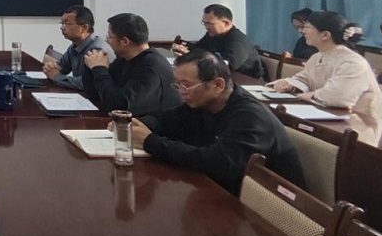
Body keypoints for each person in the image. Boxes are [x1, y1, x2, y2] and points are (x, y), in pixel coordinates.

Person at [131, 49, 306, 195]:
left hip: (271, 207)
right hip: (225, 189)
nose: (181, 91)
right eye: (177, 84)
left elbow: (217, 163)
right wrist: (137, 124)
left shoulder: (250, 117)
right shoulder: (203, 102)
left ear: (218, 85)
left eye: (186, 85)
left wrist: (150, 142)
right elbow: (169, 119)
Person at [268, 11, 382, 144]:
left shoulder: (353, 62)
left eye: (308, 27)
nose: (303, 31)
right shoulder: (317, 56)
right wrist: (290, 84)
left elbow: (338, 97)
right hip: (330, 118)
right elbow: (305, 78)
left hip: (360, 128)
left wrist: (305, 95)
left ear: (325, 35)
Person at [82, 13, 182, 115]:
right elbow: (96, 94)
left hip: (154, 123)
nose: (108, 42)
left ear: (125, 41)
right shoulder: (124, 59)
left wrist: (99, 69)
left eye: (110, 37)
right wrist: (91, 66)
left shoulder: (150, 67)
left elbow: (119, 106)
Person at [172, 4, 265, 79]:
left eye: (209, 23)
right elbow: (199, 49)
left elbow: (227, 65)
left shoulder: (238, 40)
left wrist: (194, 56)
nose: (206, 27)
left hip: (247, 81)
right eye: (204, 23)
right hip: (221, 77)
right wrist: (184, 51)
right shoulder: (212, 34)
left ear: (226, 23)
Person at [42, 5, 114, 90]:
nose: (62, 27)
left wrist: (57, 77)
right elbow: (61, 68)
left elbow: (86, 84)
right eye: (62, 23)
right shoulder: (74, 46)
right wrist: (50, 67)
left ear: (84, 28)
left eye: (67, 24)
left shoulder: (97, 50)